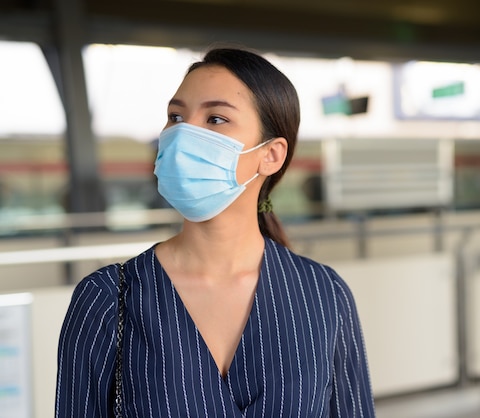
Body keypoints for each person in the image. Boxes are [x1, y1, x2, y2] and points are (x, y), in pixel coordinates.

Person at [55, 45, 376, 417]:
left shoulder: (324, 294)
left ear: (270, 155)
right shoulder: (107, 299)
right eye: (176, 116)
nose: (182, 134)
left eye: (216, 119)